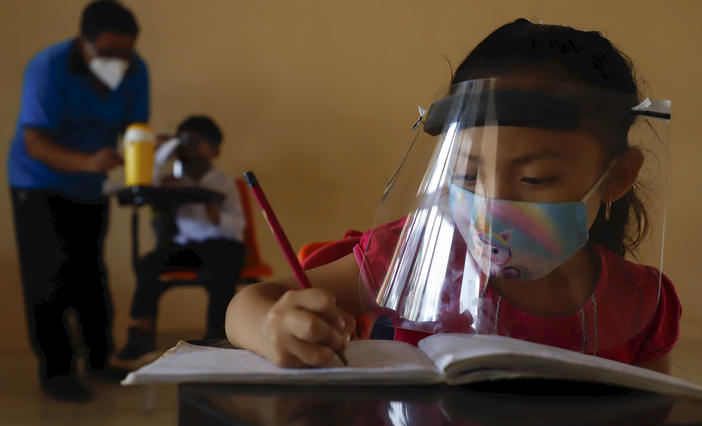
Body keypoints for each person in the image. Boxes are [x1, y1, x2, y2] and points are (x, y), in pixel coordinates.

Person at [224, 19, 681, 374]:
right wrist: (272, 328)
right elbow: (246, 304)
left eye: (536, 179)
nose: (492, 204)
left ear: (618, 176)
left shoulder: (643, 302)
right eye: (466, 173)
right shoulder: (410, 255)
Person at [8, 0, 149, 401]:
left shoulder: (136, 71)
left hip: (91, 189)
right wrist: (88, 161)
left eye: (127, 52)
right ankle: (57, 371)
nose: (119, 62)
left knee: (90, 277)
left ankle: (101, 360)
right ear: (83, 43)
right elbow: (34, 140)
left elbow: (136, 128)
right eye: (108, 54)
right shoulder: (47, 68)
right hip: (37, 185)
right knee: (49, 280)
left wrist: (145, 160)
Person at [114, 116, 247, 365]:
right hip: (188, 249)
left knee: (221, 268)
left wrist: (216, 217)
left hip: (222, 244)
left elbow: (238, 226)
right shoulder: (172, 178)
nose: (189, 147)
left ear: (215, 150)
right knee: (149, 264)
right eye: (183, 141)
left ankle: (218, 336)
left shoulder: (223, 183)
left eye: (196, 142)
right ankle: (139, 336)